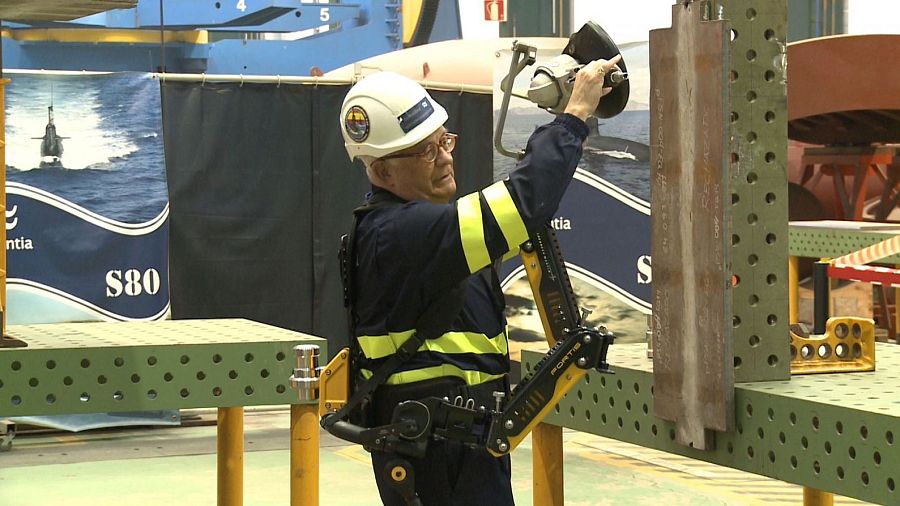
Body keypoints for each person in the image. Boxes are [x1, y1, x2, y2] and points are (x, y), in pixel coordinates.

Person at [339, 54, 621, 506]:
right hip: (438, 458)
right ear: (381, 170)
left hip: (454, 449)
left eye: (444, 140)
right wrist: (574, 117)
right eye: (427, 150)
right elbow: (520, 206)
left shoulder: (412, 230)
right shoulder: (401, 234)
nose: (445, 157)